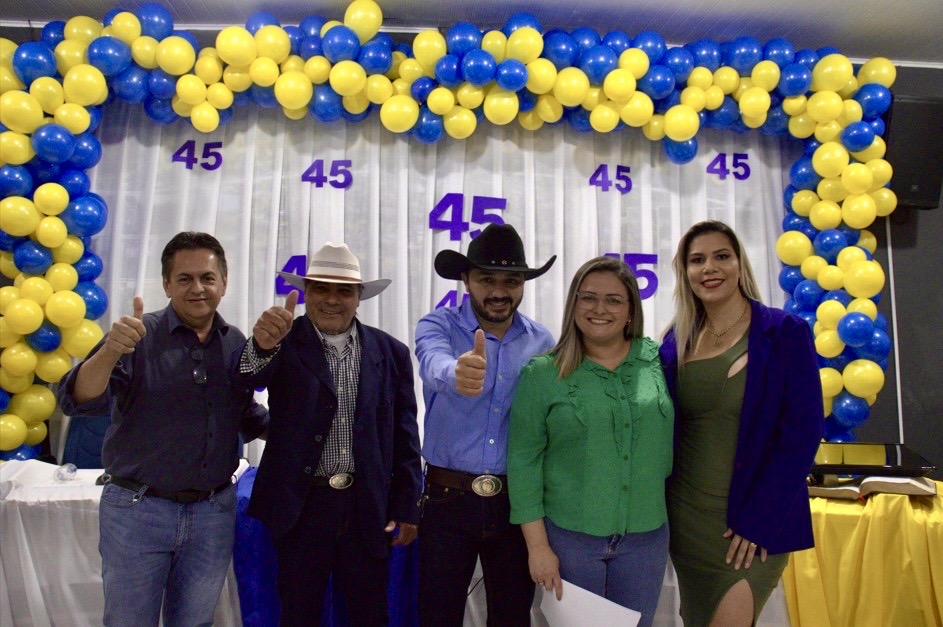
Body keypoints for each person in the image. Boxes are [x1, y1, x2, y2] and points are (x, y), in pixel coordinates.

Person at [57, 231, 269, 627]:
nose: (198, 288)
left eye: (207, 278)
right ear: (167, 284)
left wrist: (311, 428)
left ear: (224, 282)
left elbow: (247, 415)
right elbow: (78, 400)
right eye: (185, 279)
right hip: (138, 512)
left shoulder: (235, 342)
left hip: (212, 513)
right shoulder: (135, 336)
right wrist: (109, 351)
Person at [238, 241, 422, 625]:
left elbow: (404, 434)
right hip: (301, 507)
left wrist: (407, 505)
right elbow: (245, 381)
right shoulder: (280, 341)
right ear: (306, 293)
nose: (332, 299)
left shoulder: (392, 352)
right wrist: (260, 345)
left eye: (344, 290)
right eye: (321, 288)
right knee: (299, 612)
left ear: (359, 297)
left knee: (369, 613)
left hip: (366, 507)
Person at [660, 220, 824, 626]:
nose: (709, 268)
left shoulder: (784, 332)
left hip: (749, 527)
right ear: (685, 271)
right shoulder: (674, 340)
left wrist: (760, 522)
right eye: (697, 260)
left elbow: (802, 434)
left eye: (721, 256)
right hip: (685, 519)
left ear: (739, 264)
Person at [507, 256, 674, 627]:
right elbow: (523, 463)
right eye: (588, 298)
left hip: (646, 540)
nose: (600, 309)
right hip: (570, 541)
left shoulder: (657, 360)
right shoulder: (542, 374)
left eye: (614, 300)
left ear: (631, 309)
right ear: (573, 305)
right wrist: (537, 547)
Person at [415, 223, 556, 626]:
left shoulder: (542, 342)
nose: (498, 291)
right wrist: (456, 372)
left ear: (523, 284)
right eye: (486, 279)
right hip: (446, 500)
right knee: (437, 617)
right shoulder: (437, 325)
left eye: (511, 280)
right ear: (466, 279)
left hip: (517, 505)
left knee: (513, 617)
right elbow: (432, 360)